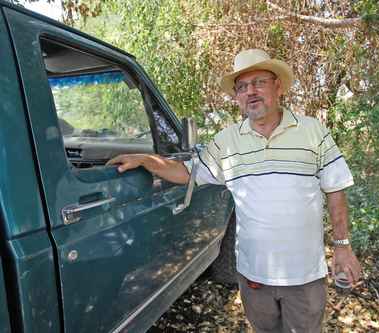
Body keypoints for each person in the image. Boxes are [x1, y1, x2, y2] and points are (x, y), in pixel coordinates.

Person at [107, 49, 361, 333]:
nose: (250, 92)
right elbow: (188, 171)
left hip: (305, 275)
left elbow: (336, 188)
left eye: (259, 83)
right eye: (242, 87)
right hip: (254, 274)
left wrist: (342, 247)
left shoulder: (313, 132)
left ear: (277, 86)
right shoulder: (227, 141)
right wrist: (146, 161)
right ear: (237, 97)